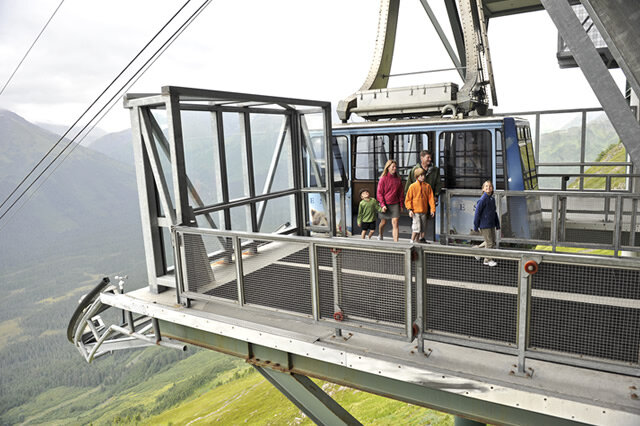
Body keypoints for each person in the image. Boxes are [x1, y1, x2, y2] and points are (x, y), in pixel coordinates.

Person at [404, 150, 442, 241]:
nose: (430, 159)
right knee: (417, 225)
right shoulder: (414, 170)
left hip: (428, 200)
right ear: (422, 158)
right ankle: (413, 241)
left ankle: (421, 238)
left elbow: (438, 183)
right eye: (427, 157)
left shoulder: (435, 170)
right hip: (416, 204)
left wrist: (436, 195)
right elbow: (408, 188)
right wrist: (410, 208)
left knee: (424, 222)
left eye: (430, 157)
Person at [404, 167, 435, 243]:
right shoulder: (412, 186)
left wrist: (432, 210)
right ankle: (411, 241)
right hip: (415, 212)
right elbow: (408, 199)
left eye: (423, 175)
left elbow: (431, 199)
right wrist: (410, 210)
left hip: (424, 211)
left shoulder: (427, 186)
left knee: (423, 228)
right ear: (417, 176)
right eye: (421, 175)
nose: (423, 177)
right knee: (416, 228)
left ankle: (419, 240)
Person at [473, 180, 500, 267]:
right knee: (489, 243)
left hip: (491, 224)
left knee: (492, 241)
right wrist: (476, 226)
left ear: (492, 188)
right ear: (483, 189)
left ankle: (477, 250)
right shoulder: (482, 200)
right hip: (484, 225)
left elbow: (494, 213)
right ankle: (487, 260)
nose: (488, 188)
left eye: (490, 186)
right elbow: (477, 213)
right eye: (486, 186)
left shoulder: (492, 199)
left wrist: (497, 224)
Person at [377, 159, 404, 242]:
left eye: (396, 167)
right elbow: (379, 193)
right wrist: (382, 205)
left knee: (395, 222)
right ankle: (380, 234)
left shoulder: (398, 179)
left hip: (395, 204)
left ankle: (396, 243)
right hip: (385, 204)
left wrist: (401, 205)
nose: (395, 168)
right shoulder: (383, 179)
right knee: (383, 222)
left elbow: (401, 193)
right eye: (393, 167)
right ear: (388, 168)